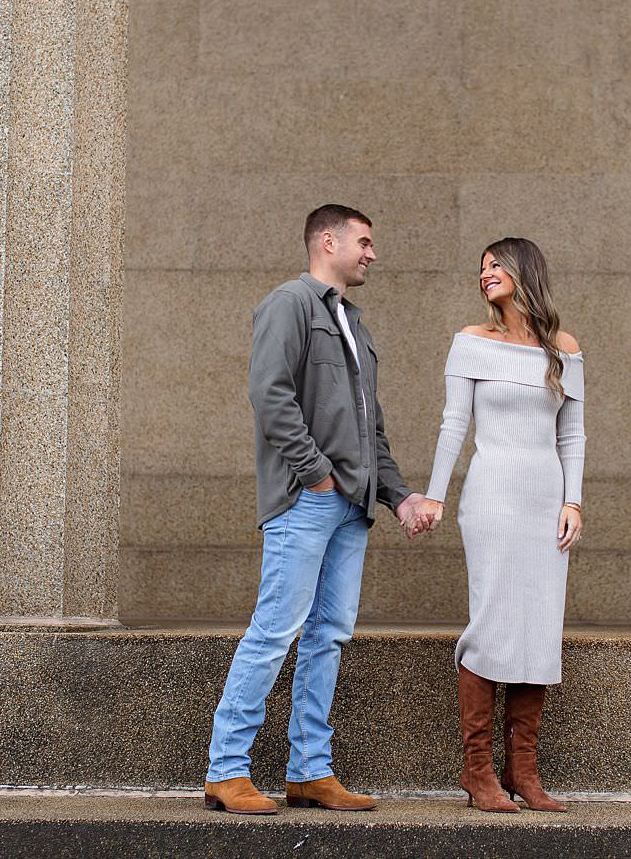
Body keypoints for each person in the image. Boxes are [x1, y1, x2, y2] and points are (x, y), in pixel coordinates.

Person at [203, 204, 443, 815]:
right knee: (276, 629)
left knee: (327, 636)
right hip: (306, 501)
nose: (372, 253)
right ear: (327, 241)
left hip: (352, 508)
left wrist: (400, 496)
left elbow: (371, 432)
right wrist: (316, 475)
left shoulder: (354, 325)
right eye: (363, 241)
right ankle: (225, 770)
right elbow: (269, 393)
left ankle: (309, 771)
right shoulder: (290, 303)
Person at [419, 237, 585, 813]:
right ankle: (477, 771)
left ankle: (525, 773)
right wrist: (435, 496)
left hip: (546, 500)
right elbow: (452, 425)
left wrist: (574, 502)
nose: (485, 275)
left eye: (496, 266)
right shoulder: (471, 342)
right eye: (481, 269)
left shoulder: (563, 348)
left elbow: (573, 435)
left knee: (539, 626)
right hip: (491, 497)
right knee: (491, 622)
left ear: (524, 271)